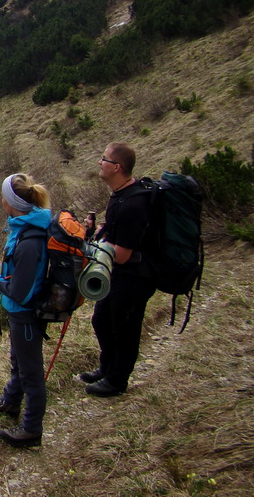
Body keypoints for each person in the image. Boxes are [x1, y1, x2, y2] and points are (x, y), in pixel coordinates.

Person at [0, 173, 51, 447]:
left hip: (25, 313)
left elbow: (20, 291)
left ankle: (31, 429)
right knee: (18, 362)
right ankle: (9, 401)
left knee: (31, 372)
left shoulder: (29, 240)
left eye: (3, 197)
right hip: (19, 313)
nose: (0, 201)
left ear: (12, 202)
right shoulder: (24, 228)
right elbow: (20, 265)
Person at [80, 142, 157, 397]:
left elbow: (122, 255)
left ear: (117, 167)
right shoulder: (119, 195)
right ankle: (107, 367)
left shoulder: (133, 204)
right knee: (101, 319)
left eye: (104, 159)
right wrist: (98, 231)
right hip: (117, 275)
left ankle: (117, 381)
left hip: (134, 277)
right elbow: (115, 234)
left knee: (125, 328)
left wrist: (98, 247)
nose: (99, 162)